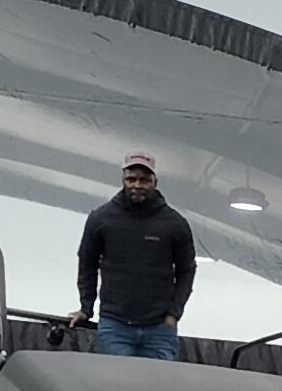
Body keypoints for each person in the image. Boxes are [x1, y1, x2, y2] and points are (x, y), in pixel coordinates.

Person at [74, 148, 197, 358]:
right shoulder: (101, 218)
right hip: (115, 325)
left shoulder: (175, 223)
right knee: (118, 386)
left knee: (159, 388)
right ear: (123, 180)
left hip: (160, 328)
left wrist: (174, 313)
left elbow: (187, 270)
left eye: (144, 179)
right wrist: (86, 308)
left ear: (154, 181)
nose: (137, 185)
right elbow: (87, 264)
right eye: (131, 179)